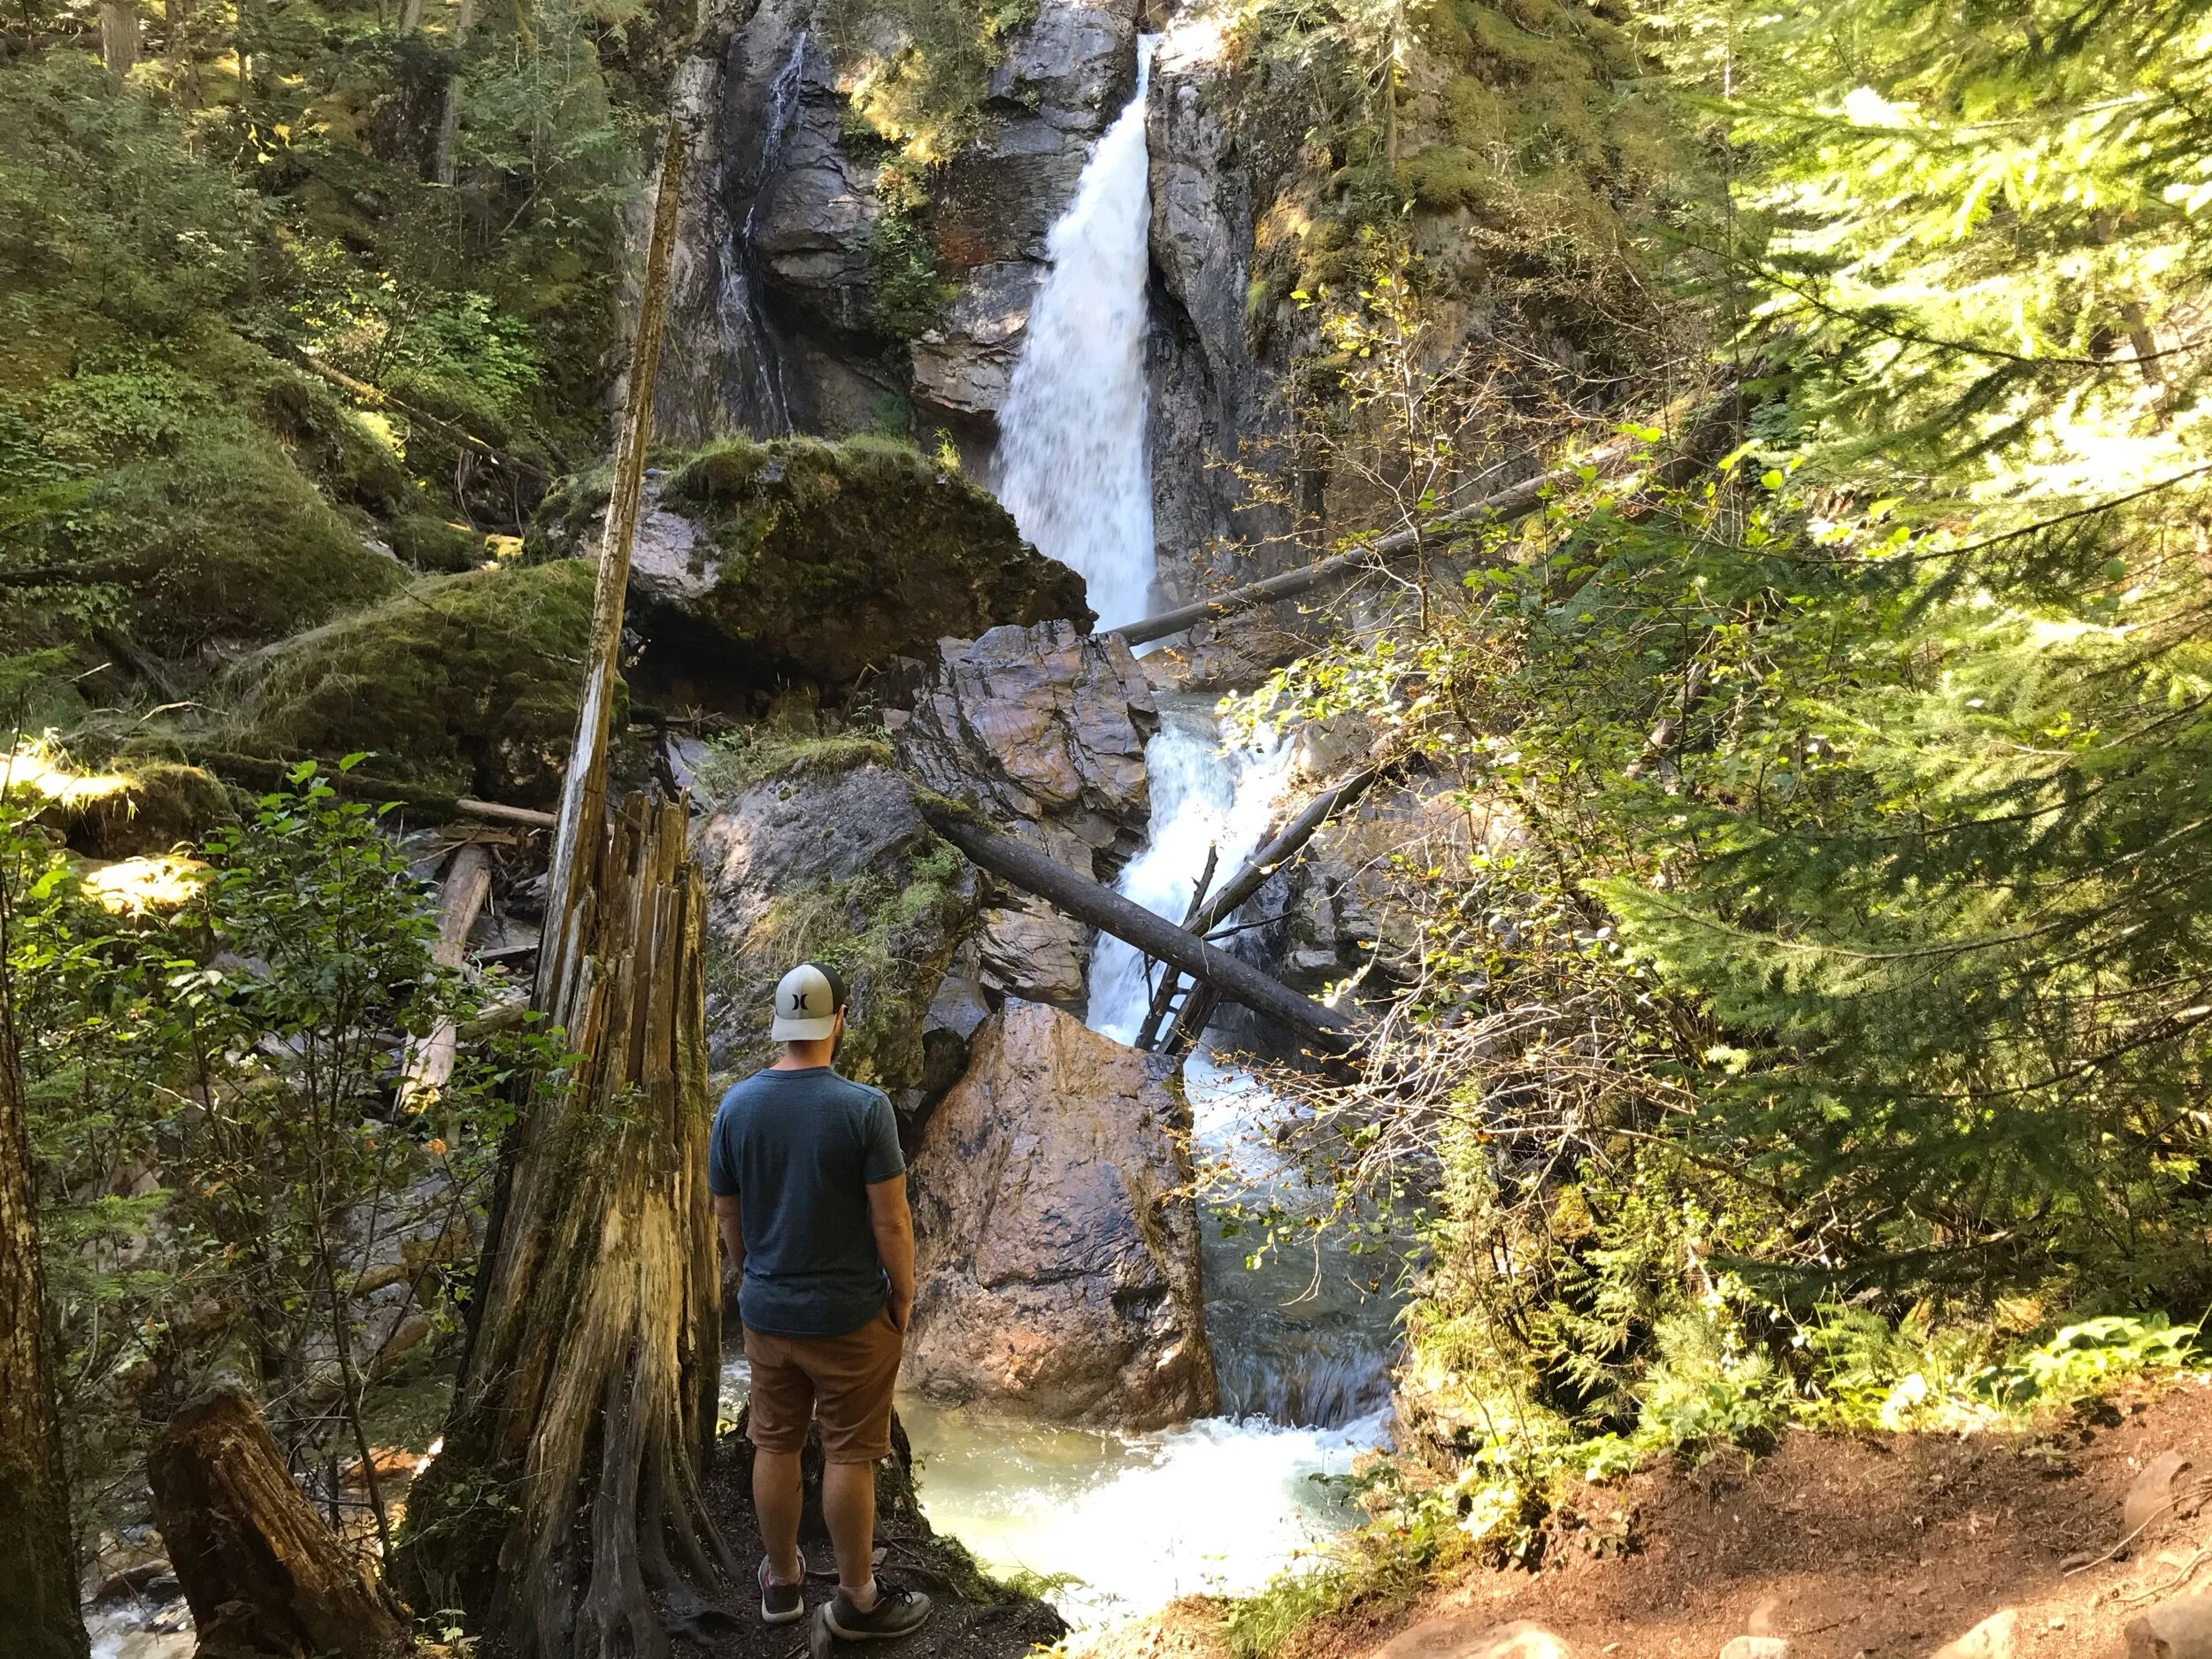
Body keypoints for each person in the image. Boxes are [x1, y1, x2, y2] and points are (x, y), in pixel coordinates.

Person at [708, 960, 933, 1641]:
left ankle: (781, 1583)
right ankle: (858, 1599)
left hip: (768, 1315)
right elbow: (891, 1221)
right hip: (848, 1317)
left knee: (772, 1443)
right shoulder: (863, 1108)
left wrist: (750, 1275)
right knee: (848, 1453)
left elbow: (726, 1213)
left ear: (780, 1026)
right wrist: (904, 1297)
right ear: (837, 1021)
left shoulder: (737, 1106)